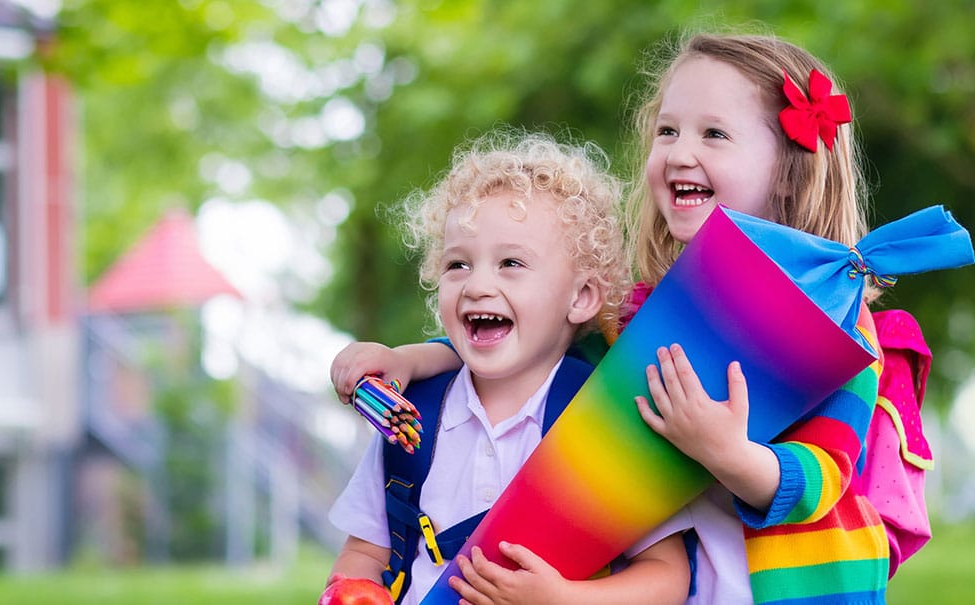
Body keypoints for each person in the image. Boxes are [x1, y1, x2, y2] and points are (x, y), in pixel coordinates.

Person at [332, 31, 894, 605]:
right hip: (693, 578)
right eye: (667, 130)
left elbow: (826, 476)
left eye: (714, 134)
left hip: (795, 586)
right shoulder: (639, 310)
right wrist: (407, 359)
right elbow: (531, 335)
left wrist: (728, 454)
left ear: (790, 169)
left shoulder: (835, 322)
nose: (679, 152)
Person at [325, 130, 690, 605]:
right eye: (457, 265)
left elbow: (667, 577)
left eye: (511, 263)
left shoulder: (607, 422)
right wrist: (353, 591)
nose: (476, 286)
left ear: (581, 297)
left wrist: (563, 599)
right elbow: (364, 552)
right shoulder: (409, 415)